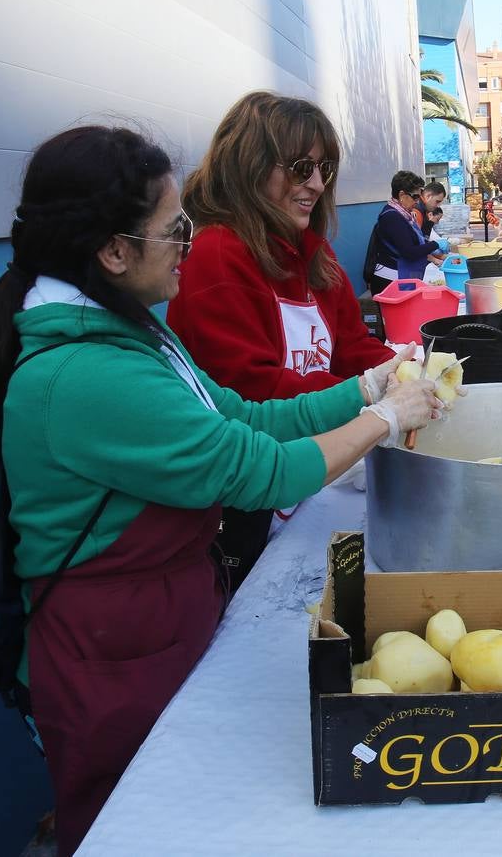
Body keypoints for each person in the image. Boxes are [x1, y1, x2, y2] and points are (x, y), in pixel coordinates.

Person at [0, 125, 440, 856]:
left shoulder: (137, 335)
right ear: (115, 252)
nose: (189, 242)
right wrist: (383, 417)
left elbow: (247, 419)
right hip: (109, 650)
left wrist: (363, 385)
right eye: (175, 229)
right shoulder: (87, 375)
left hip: (163, 617)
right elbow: (258, 472)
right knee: (139, 821)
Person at [166, 92, 399, 589]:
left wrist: (403, 369)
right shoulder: (215, 258)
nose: (315, 184)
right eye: (300, 167)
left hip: (312, 476)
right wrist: (371, 399)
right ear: (250, 166)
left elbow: (355, 347)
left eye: (324, 169)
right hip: (251, 504)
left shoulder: (315, 256)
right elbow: (252, 394)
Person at [364, 170, 450, 294]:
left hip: (402, 276)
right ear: (402, 195)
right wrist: (435, 245)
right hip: (390, 281)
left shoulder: (404, 215)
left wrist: (430, 246)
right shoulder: (392, 217)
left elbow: (413, 240)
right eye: (415, 196)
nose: (417, 200)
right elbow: (409, 252)